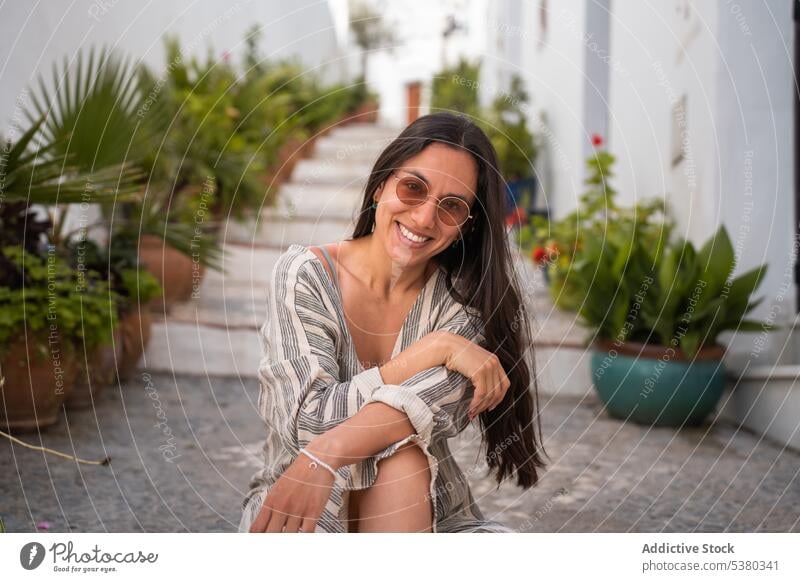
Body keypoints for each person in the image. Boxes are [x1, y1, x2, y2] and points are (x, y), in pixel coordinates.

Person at [240, 112, 545, 533]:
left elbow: (405, 416)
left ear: (466, 228)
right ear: (381, 183)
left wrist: (328, 452)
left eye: (452, 206)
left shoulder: (466, 305)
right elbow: (306, 424)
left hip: (427, 514)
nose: (423, 219)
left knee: (404, 456)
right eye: (413, 188)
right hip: (305, 503)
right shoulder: (305, 274)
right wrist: (435, 349)